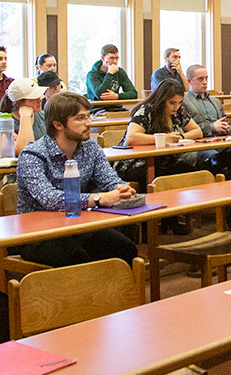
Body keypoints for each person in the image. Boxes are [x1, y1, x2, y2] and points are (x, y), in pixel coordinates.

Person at [14, 92, 139, 267]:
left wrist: (121, 189)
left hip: (75, 224)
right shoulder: (33, 154)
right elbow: (49, 198)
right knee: (76, 258)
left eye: (88, 116)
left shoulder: (90, 146)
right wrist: (97, 198)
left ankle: (114, 294)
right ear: (58, 124)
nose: (89, 123)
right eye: (80, 118)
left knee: (124, 249)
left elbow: (108, 178)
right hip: (36, 233)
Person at [116, 78, 204, 204]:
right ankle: (158, 218)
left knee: (190, 172)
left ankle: (177, 211)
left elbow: (197, 131)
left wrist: (181, 137)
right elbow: (131, 138)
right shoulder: (146, 111)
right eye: (172, 103)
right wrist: (164, 138)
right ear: (162, 99)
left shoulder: (178, 112)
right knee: (161, 178)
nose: (176, 107)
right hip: (135, 163)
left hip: (165, 160)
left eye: (179, 103)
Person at [2, 76, 50, 156]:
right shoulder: (5, 124)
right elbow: (25, 151)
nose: (40, 99)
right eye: (34, 97)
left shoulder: (45, 115)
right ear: (19, 103)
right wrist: (25, 116)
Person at [85, 43, 138, 113]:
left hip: (116, 108)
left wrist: (117, 96)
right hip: (98, 109)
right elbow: (100, 95)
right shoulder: (92, 75)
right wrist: (109, 74)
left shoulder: (120, 72)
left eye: (117, 58)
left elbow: (133, 93)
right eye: (111, 58)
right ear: (103, 58)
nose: (115, 61)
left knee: (134, 115)